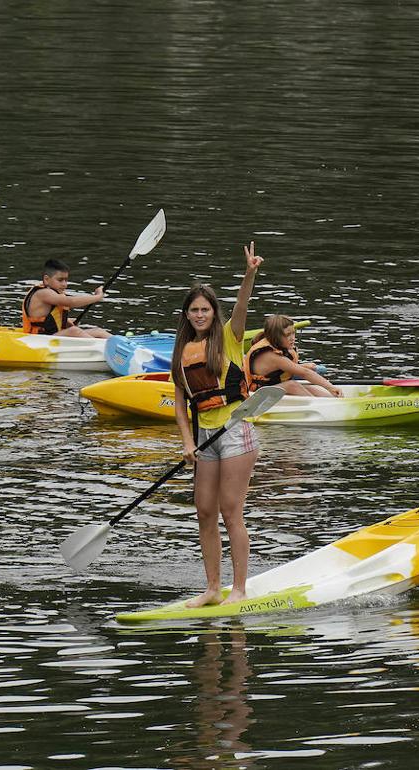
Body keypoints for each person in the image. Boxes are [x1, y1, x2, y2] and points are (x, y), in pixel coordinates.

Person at [169, 241, 263, 608]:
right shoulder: (180, 351)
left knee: (230, 511)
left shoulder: (228, 337)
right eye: (194, 310)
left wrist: (249, 274)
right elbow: (181, 406)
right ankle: (212, 589)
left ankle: (239, 589)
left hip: (236, 431)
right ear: (186, 314)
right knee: (205, 512)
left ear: (213, 312)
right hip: (205, 437)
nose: (199, 315)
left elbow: (242, 305)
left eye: (205, 309)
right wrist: (187, 442)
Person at [244, 314, 342, 397]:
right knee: (292, 385)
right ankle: (319, 406)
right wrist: (331, 387)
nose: (292, 338)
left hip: (273, 388)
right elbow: (305, 373)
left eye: (293, 333)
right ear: (275, 337)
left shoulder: (277, 348)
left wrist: (302, 366)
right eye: (287, 335)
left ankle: (334, 400)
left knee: (310, 388)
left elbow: (282, 370)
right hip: (256, 395)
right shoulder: (271, 356)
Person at [21, 258, 111, 339]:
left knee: (98, 331)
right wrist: (97, 297)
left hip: (52, 336)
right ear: (46, 279)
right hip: (38, 339)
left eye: (66, 280)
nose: (64, 284)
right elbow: (71, 302)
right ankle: (105, 348)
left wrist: (66, 322)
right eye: (60, 280)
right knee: (74, 331)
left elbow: (50, 318)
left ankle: (118, 343)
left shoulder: (54, 293)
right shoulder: (43, 293)